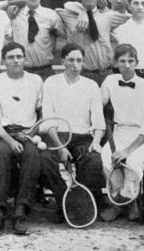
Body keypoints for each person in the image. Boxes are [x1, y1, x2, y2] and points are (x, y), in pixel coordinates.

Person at [40, 43, 106, 218]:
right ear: (63, 61)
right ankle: (64, 201)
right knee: (45, 159)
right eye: (71, 60)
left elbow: (98, 121)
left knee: (93, 160)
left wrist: (96, 143)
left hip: (82, 138)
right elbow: (48, 119)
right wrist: (60, 147)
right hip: (57, 137)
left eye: (79, 60)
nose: (75, 64)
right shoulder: (51, 83)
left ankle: (79, 202)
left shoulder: (91, 85)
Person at [0, 42, 43, 235]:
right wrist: (9, 140)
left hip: (27, 133)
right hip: (2, 133)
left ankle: (20, 211)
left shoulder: (36, 81)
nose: (16, 60)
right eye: (11, 57)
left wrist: (32, 133)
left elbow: (43, 114)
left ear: (25, 59)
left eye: (19, 56)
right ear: (4, 61)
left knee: (32, 155)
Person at [100, 44, 144, 222]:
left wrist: (126, 152)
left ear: (137, 62)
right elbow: (97, 107)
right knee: (107, 157)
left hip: (142, 138)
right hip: (119, 133)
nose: (126, 65)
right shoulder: (110, 81)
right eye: (122, 61)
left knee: (133, 161)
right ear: (115, 63)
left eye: (130, 61)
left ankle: (129, 200)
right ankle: (119, 202)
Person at [56, 0, 129, 86]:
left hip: (106, 74)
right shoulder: (67, 15)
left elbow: (134, 17)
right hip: (81, 75)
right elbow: (49, 13)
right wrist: (81, 11)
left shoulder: (108, 16)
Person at [11, 0, 65, 81]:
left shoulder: (51, 15)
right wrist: (12, 3)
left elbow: (65, 36)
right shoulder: (14, 14)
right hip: (22, 70)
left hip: (45, 71)